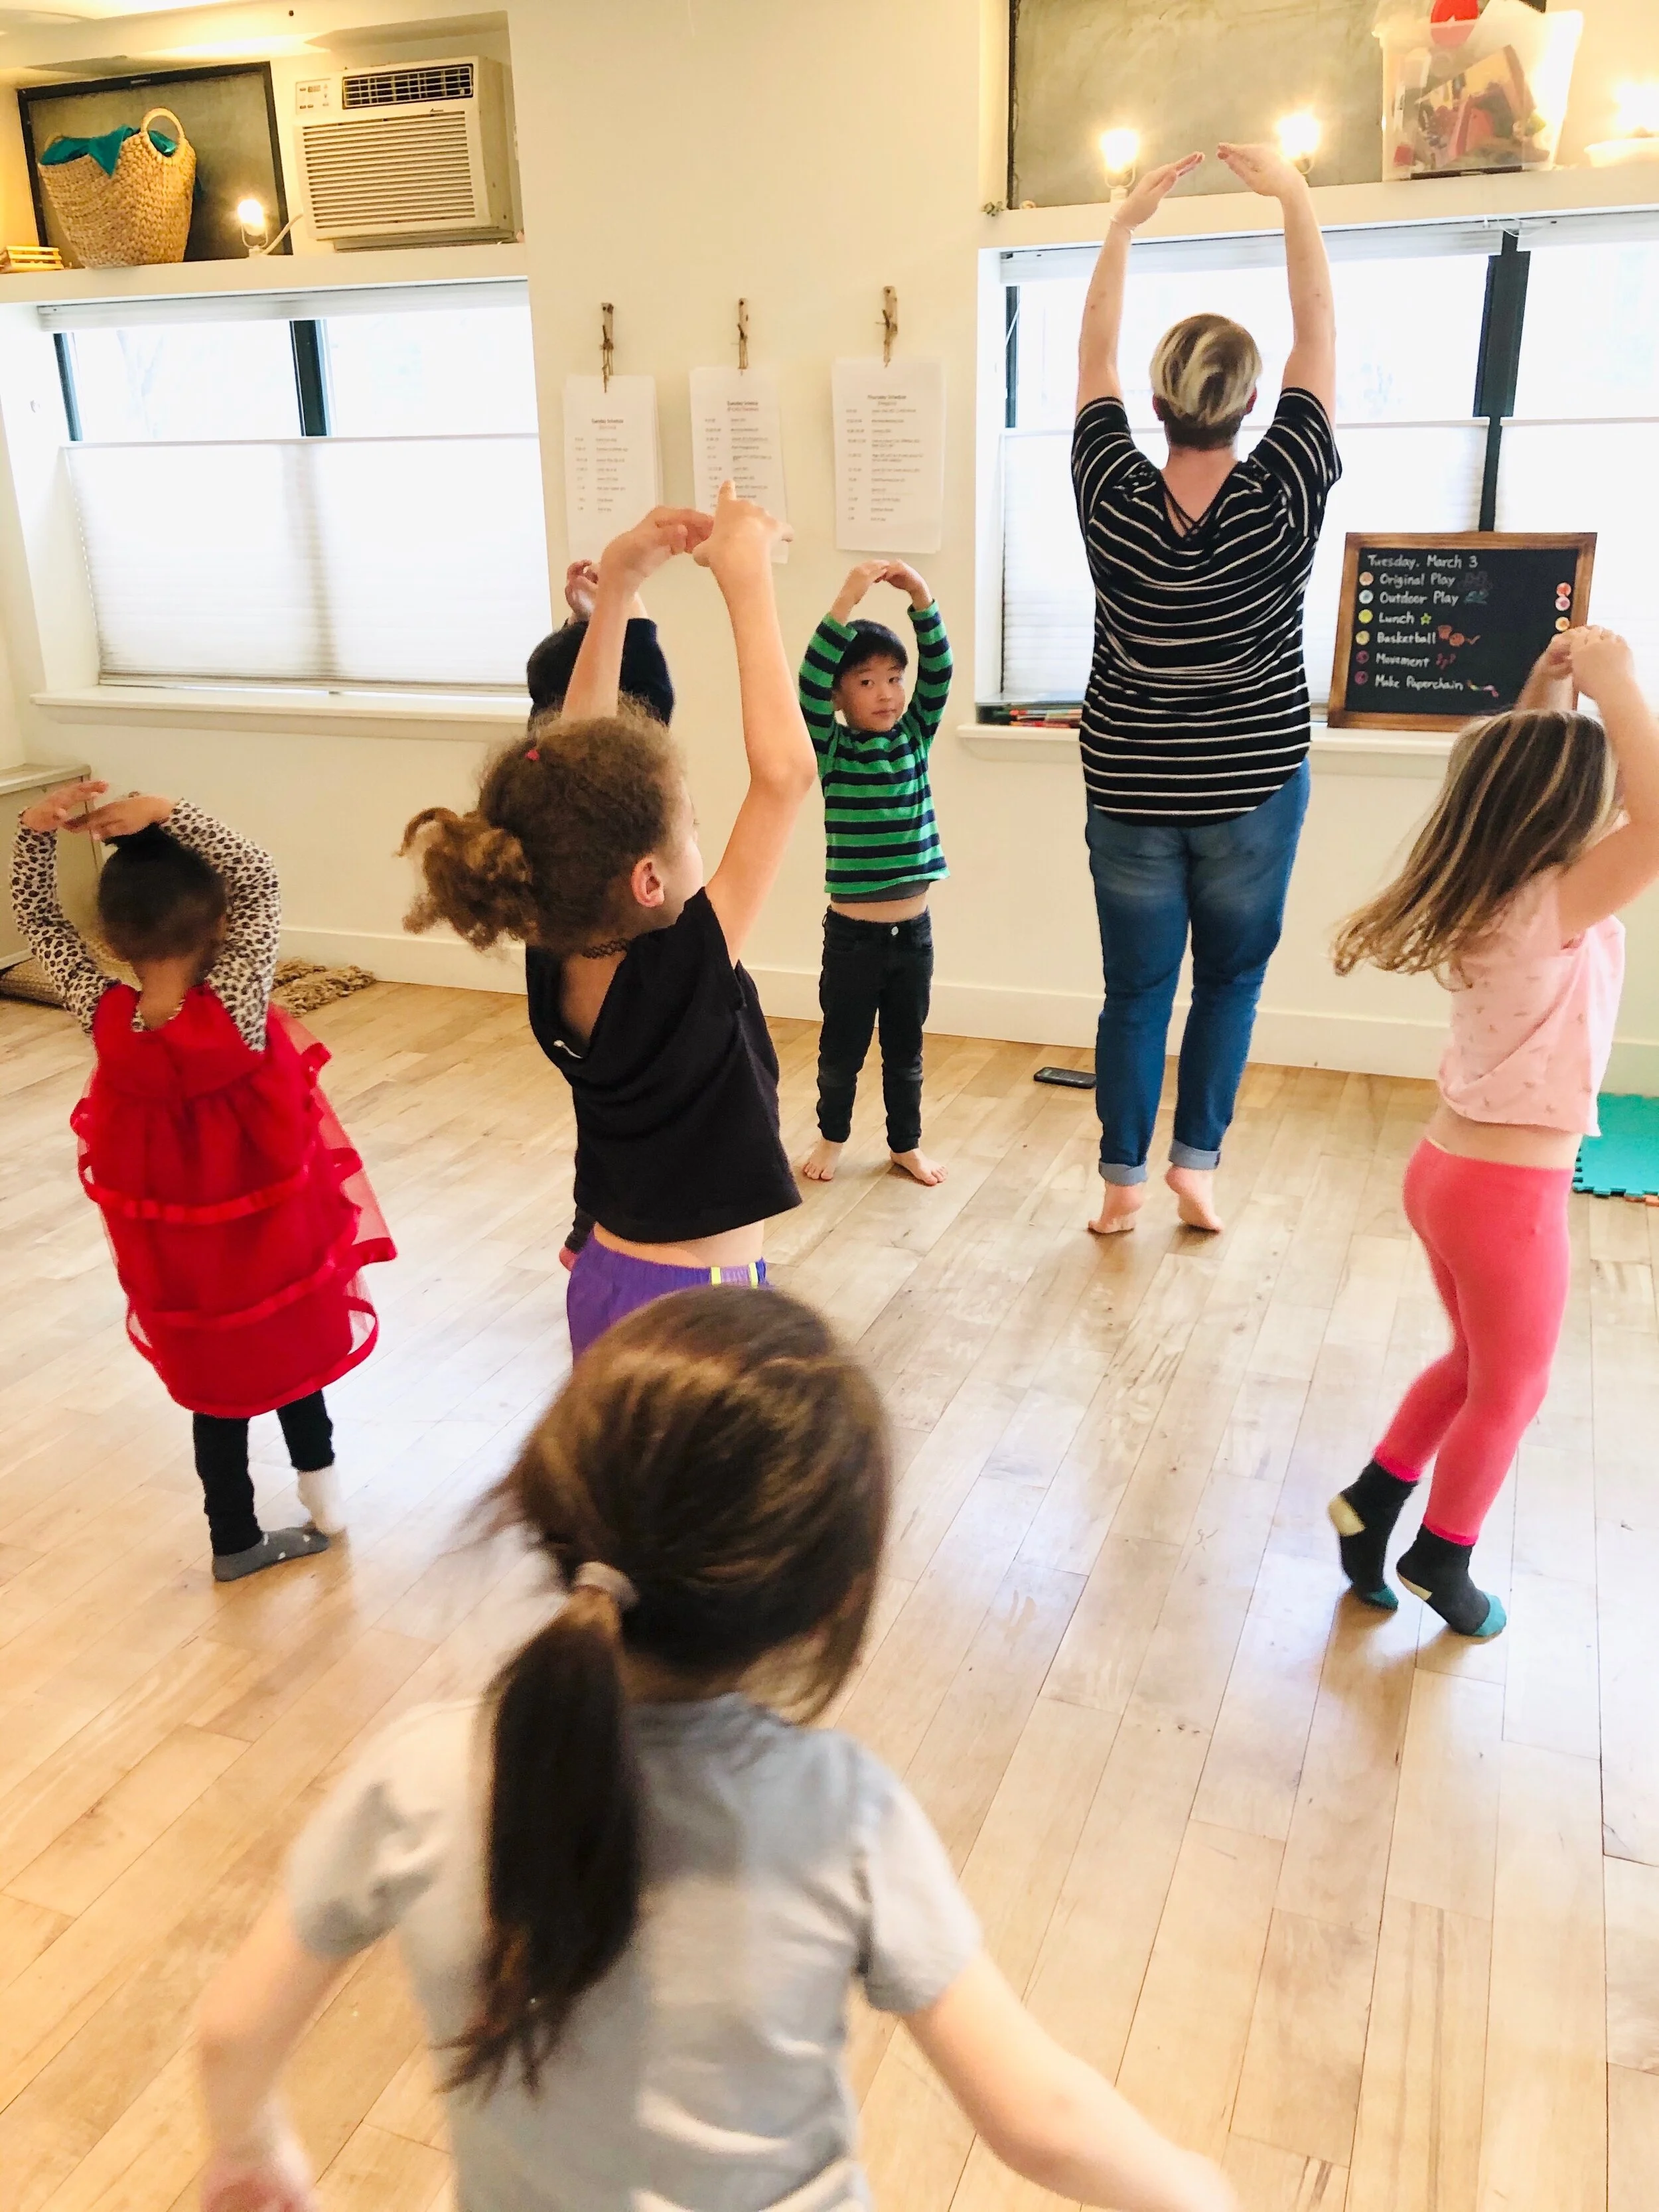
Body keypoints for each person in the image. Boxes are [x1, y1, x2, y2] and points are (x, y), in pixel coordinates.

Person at [194, 1288, 1238, 2212]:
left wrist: (253, 2147)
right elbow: (1040, 2120)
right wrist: (1195, 2191)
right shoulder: (841, 1811)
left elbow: (231, 2034)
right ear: (825, 1606)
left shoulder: (415, 1775)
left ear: (555, 1510)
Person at [401, 486, 812, 1360]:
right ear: (651, 876)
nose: (702, 836)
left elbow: (567, 762)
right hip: (696, 1313)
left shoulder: (550, 938)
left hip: (608, 1281)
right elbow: (783, 775)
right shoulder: (681, 971)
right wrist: (747, 583)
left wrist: (619, 595)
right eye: (693, 827)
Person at [1329, 627, 1659, 1637]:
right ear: (1564, 813)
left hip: (1447, 1171)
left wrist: (1548, 688)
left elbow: (1529, 770)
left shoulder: (1496, 886)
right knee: (1514, 1389)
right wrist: (1616, 684)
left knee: (1474, 1364)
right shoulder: (1554, 901)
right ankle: (1445, 1555)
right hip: (1508, 1199)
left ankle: (1372, 1501)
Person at [10, 786, 394, 1580]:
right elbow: (257, 876)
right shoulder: (241, 1005)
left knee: (214, 1394)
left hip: (188, 1270)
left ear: (111, 939)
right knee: (294, 1354)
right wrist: (165, 811)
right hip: (275, 1247)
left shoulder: (104, 1017)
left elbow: (41, 924)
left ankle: (234, 1540)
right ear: (221, 925)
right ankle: (324, 1501)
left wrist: (32, 834)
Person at [1073, 141, 1339, 1237]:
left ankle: (1120, 1183)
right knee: (1229, 982)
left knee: (1136, 992)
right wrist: (1295, 197)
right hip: (1254, 789)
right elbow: (1320, 336)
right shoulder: (1284, 493)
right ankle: (1197, 1166)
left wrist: (1122, 229)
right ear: (1252, 403)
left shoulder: (1109, 496)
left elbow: (1091, 353)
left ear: (1156, 398)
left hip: (1130, 791)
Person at [527, 558, 678, 1272]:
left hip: (572, 980)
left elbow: (646, 681)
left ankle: (592, 1226)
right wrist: (615, 602)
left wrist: (609, 606)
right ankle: (607, 1228)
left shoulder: (537, 767)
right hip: (612, 968)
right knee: (631, 1104)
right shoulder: (600, 782)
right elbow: (651, 688)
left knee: (605, 1102)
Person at [797, 561, 953, 1188]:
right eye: (866, 681)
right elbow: (808, 680)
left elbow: (938, 671)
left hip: (913, 935)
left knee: (905, 1052)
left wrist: (921, 597)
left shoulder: (914, 737)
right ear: (841, 696)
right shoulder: (833, 750)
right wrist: (845, 597)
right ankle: (833, 1133)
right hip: (854, 939)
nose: (887, 692)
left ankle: (905, 1144)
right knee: (842, 1049)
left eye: (893, 678)